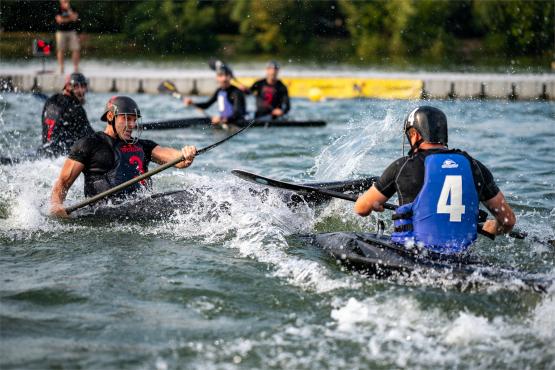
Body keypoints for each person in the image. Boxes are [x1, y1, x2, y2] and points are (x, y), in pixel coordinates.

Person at [354, 106, 516, 255]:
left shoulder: (403, 166)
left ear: (415, 135)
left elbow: (361, 208)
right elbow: (508, 221)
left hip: (413, 255)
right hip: (461, 259)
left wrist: (376, 205)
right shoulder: (475, 166)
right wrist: (494, 227)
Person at [50, 96, 197, 218]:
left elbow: (175, 158)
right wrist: (57, 206)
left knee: (196, 195)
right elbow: (62, 183)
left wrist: (184, 154)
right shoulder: (88, 144)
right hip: (108, 211)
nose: (132, 125)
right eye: (127, 119)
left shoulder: (143, 145)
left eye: (134, 120)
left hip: (144, 206)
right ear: (110, 116)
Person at [40, 72, 93, 156]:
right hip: (62, 156)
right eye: (78, 86)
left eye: (84, 86)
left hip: (44, 152)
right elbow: (91, 137)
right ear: (68, 87)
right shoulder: (76, 109)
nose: (82, 91)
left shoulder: (50, 100)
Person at [55, 0, 80, 74]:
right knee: (60, 50)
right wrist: (69, 19)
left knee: (76, 49)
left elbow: (75, 18)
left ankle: (76, 68)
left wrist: (69, 10)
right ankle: (61, 67)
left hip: (71, 31)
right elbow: (59, 20)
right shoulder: (58, 9)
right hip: (61, 32)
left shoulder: (72, 8)